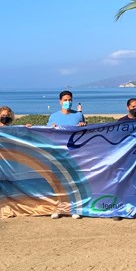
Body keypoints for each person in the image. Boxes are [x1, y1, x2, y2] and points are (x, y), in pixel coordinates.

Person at [47, 91, 84, 219]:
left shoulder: (78, 115)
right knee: (58, 182)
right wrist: (51, 127)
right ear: (60, 102)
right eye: (65, 100)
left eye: (69, 99)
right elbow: (47, 133)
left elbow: (84, 133)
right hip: (57, 153)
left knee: (73, 181)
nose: (67, 102)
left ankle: (74, 209)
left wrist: (83, 126)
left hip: (74, 153)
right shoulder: (53, 117)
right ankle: (58, 208)